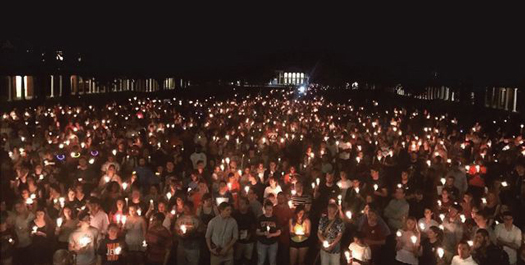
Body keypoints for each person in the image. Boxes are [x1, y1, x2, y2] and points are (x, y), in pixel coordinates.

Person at [174, 201, 201, 265]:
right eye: (184, 208)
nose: (185, 209)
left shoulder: (196, 220)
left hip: (193, 248)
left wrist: (190, 234)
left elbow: (201, 232)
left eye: (187, 208)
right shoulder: (180, 219)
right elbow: (175, 231)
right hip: (182, 247)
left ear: (191, 208)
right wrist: (180, 234)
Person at [233, 197, 257, 265]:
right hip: (238, 241)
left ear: (247, 205)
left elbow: (254, 226)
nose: (240, 205)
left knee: (248, 259)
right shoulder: (235, 214)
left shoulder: (251, 214)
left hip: (249, 241)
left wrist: (249, 234)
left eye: (242, 203)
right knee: (237, 258)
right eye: (239, 203)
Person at [256, 201, 281, 265]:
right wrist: (263, 233)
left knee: (272, 261)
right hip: (262, 243)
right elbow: (257, 232)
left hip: (273, 243)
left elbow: (279, 232)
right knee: (261, 261)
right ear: (264, 209)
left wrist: (271, 235)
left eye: (270, 210)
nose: (269, 211)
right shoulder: (261, 218)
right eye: (267, 209)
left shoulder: (275, 218)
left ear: (272, 209)